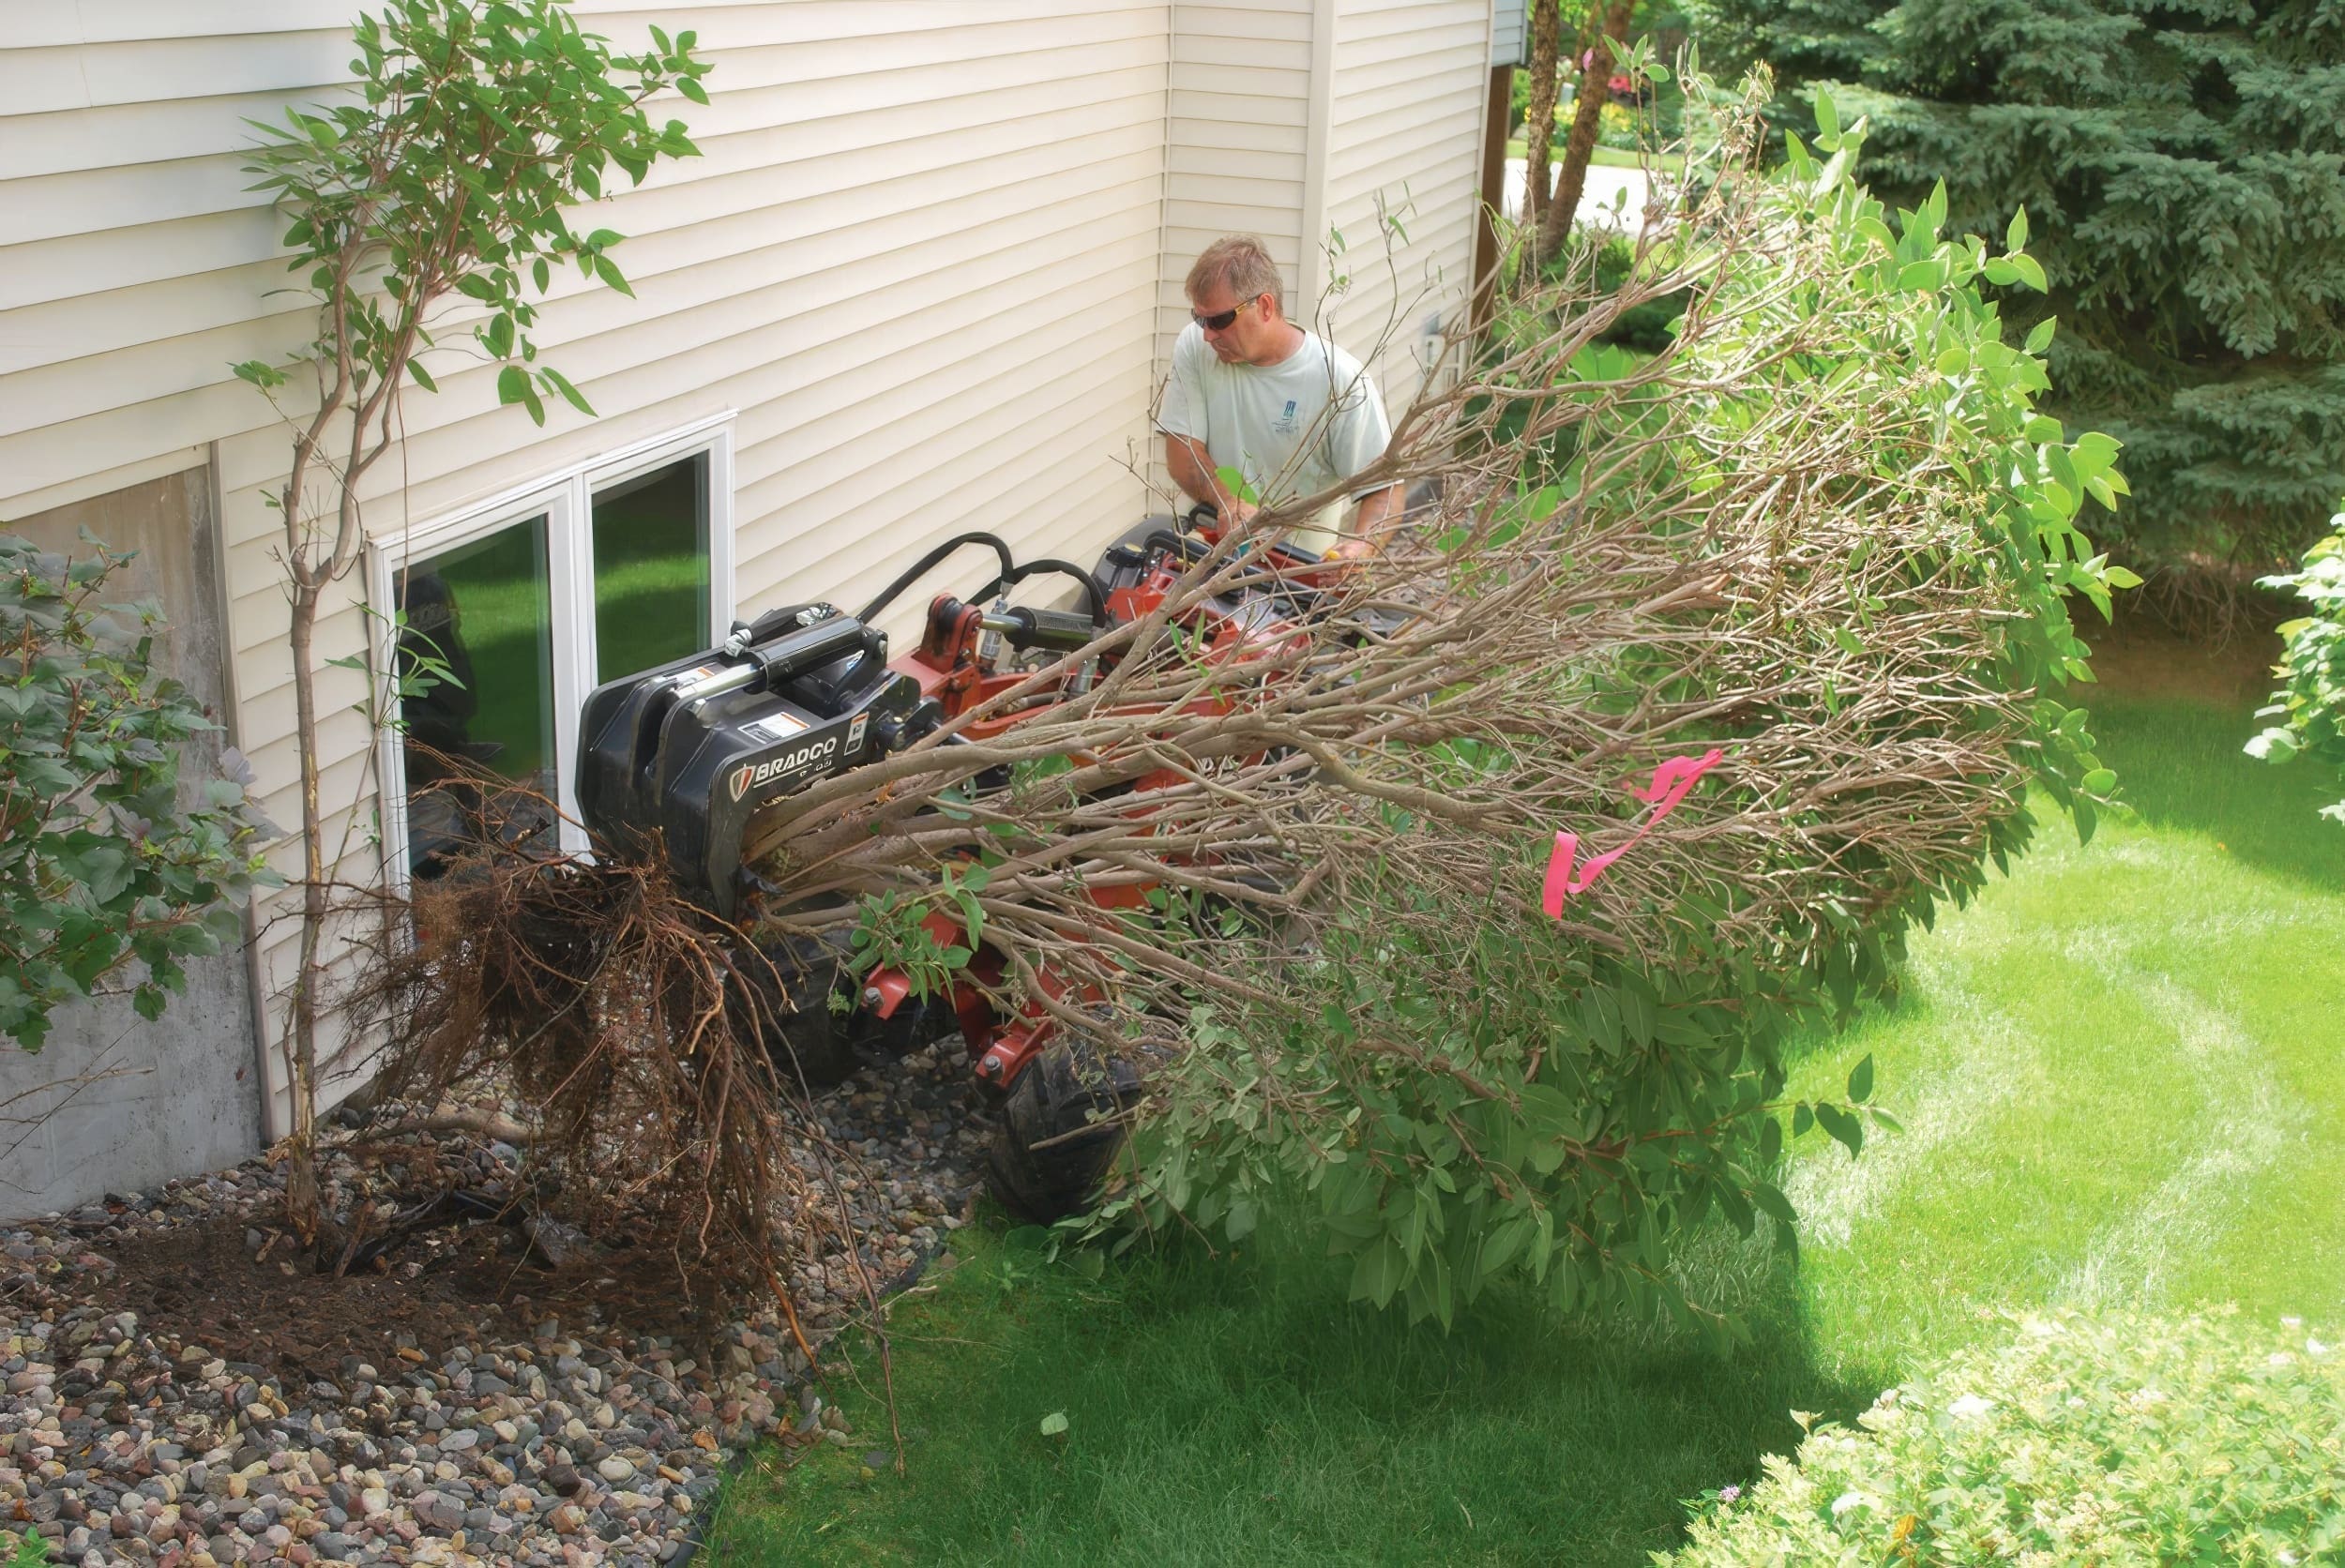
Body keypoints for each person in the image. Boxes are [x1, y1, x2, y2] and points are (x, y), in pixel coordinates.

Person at [1157, 235, 1401, 560]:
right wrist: (1230, 498)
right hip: (1211, 559)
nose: (1208, 334)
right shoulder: (1196, 347)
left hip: (1298, 575)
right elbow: (1183, 452)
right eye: (1200, 319)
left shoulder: (1339, 381)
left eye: (1219, 320)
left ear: (1265, 307)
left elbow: (1383, 489)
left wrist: (1362, 547)